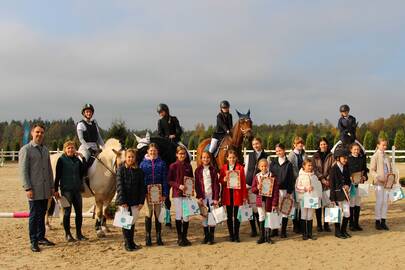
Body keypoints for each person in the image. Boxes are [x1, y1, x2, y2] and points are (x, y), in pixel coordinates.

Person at [19, 123, 55, 252]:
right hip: (34, 189)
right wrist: (27, 188)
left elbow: (50, 170)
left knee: (42, 214)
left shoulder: (45, 150)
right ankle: (33, 241)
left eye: (42, 132)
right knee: (34, 216)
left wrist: (52, 186)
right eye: (37, 132)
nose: (39, 134)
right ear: (32, 133)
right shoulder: (26, 149)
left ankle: (41, 237)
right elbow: (23, 171)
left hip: (45, 189)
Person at [54, 141, 88, 242]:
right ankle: (68, 234)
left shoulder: (77, 160)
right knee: (67, 213)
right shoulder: (61, 160)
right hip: (66, 191)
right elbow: (57, 176)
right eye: (68, 148)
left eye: (72, 148)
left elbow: (84, 171)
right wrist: (55, 190)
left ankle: (79, 233)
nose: (70, 150)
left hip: (77, 190)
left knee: (79, 213)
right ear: (65, 149)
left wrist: (83, 158)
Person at [116, 149, 145, 251]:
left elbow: (142, 187)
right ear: (126, 157)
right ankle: (127, 243)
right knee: (125, 223)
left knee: (132, 222)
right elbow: (120, 186)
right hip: (124, 201)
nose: (130, 159)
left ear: (135, 158)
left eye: (132, 157)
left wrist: (141, 201)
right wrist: (122, 201)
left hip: (135, 201)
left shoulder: (139, 171)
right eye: (129, 157)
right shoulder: (120, 170)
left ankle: (132, 242)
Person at [139, 143, 168, 246]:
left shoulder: (162, 163)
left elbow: (165, 179)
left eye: (154, 150)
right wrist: (143, 193)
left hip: (158, 193)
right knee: (148, 214)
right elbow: (141, 180)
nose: (152, 152)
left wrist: (165, 193)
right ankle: (148, 237)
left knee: (158, 214)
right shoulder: (142, 164)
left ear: (157, 152)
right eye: (151, 150)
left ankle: (159, 236)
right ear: (148, 151)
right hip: (148, 194)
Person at [219, 149, 248, 242]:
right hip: (227, 195)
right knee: (229, 216)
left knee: (236, 216)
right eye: (230, 157)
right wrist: (224, 179)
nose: (232, 159)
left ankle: (236, 235)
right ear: (227, 158)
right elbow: (220, 181)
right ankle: (231, 235)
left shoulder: (240, 168)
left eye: (233, 158)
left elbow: (243, 183)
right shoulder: (223, 168)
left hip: (237, 195)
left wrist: (244, 196)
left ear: (236, 158)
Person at [168, 146, 194, 246]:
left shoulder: (189, 166)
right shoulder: (173, 166)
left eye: (184, 154)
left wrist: (191, 190)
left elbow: (191, 179)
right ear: (177, 154)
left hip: (186, 194)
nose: (182, 155)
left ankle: (184, 237)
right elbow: (169, 181)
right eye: (180, 154)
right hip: (177, 194)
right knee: (179, 215)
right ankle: (179, 237)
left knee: (186, 215)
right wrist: (178, 186)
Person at [370, 138, 396, 231]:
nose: (384, 147)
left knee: (385, 202)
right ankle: (377, 221)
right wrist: (379, 177)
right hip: (379, 183)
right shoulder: (375, 156)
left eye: (385, 145)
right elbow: (372, 170)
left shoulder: (387, 156)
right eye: (383, 145)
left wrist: (392, 179)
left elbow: (390, 170)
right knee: (379, 202)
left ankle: (383, 221)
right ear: (378, 145)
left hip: (387, 183)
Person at [269, 143, 294, 238]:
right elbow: (270, 176)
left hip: (285, 191)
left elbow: (291, 179)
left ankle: (283, 231)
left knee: (285, 210)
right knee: (275, 210)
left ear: (284, 150)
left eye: (280, 150)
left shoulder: (289, 164)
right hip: (275, 191)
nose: (278, 152)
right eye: (277, 151)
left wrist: (289, 192)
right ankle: (274, 230)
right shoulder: (273, 163)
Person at [251, 159, 279, 244]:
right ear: (259, 167)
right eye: (262, 166)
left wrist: (274, 203)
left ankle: (268, 237)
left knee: (269, 217)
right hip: (260, 200)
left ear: (268, 166)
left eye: (265, 166)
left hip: (269, 201)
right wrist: (257, 188)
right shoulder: (257, 176)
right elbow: (253, 189)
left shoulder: (272, 176)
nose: (264, 167)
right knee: (261, 217)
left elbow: (275, 191)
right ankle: (261, 237)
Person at [244, 137, 268, 237]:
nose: (255, 146)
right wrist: (245, 184)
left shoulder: (266, 156)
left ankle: (261, 229)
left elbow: (268, 170)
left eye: (257, 143)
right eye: (254, 144)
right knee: (251, 208)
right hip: (249, 184)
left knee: (259, 209)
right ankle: (253, 230)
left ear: (261, 143)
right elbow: (246, 169)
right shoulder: (249, 155)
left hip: (261, 186)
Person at [195, 151, 220, 245]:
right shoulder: (197, 170)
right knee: (204, 216)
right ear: (201, 159)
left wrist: (216, 198)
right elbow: (197, 185)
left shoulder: (213, 170)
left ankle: (211, 237)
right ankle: (206, 236)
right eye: (204, 157)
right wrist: (199, 196)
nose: (206, 159)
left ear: (210, 159)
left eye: (207, 157)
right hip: (203, 197)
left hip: (212, 196)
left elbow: (216, 185)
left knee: (212, 216)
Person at [312, 137, 334, 233]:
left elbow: (333, 168)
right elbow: (314, 169)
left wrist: (327, 179)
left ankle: (326, 224)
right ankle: (319, 225)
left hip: (328, 183)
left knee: (327, 204)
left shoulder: (331, 156)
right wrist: (321, 178)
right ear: (319, 145)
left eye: (324, 144)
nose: (323, 146)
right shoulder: (315, 156)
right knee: (318, 205)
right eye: (321, 144)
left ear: (327, 145)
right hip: (318, 182)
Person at [295, 159, 321, 240]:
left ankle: (310, 234)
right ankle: (304, 234)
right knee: (304, 215)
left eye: (311, 165)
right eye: (308, 165)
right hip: (303, 198)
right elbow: (297, 187)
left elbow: (318, 187)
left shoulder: (314, 176)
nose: (310, 167)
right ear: (304, 166)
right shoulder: (300, 176)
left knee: (310, 215)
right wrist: (305, 188)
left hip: (312, 199)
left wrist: (318, 197)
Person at [330, 149, 352, 239]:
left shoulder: (346, 168)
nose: (345, 160)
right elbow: (332, 184)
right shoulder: (333, 169)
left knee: (347, 213)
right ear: (338, 158)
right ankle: (337, 232)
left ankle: (344, 230)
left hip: (345, 194)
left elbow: (348, 180)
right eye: (344, 158)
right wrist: (332, 198)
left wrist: (347, 185)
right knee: (337, 214)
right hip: (337, 194)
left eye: (346, 158)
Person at [287, 136, 308, 234]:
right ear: (294, 145)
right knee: (296, 204)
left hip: (303, 182)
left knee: (302, 204)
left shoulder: (304, 154)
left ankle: (301, 223)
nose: (300, 144)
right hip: (295, 182)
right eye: (298, 143)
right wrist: (297, 179)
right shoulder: (291, 155)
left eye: (301, 143)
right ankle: (296, 225)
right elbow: (291, 170)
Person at [347, 142, 368, 231]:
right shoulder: (348, 159)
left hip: (360, 184)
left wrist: (365, 177)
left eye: (358, 149)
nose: (356, 151)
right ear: (351, 150)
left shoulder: (362, 158)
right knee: (351, 204)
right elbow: (346, 171)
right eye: (355, 149)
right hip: (351, 184)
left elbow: (365, 170)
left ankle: (356, 223)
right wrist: (349, 178)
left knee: (358, 204)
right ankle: (351, 224)